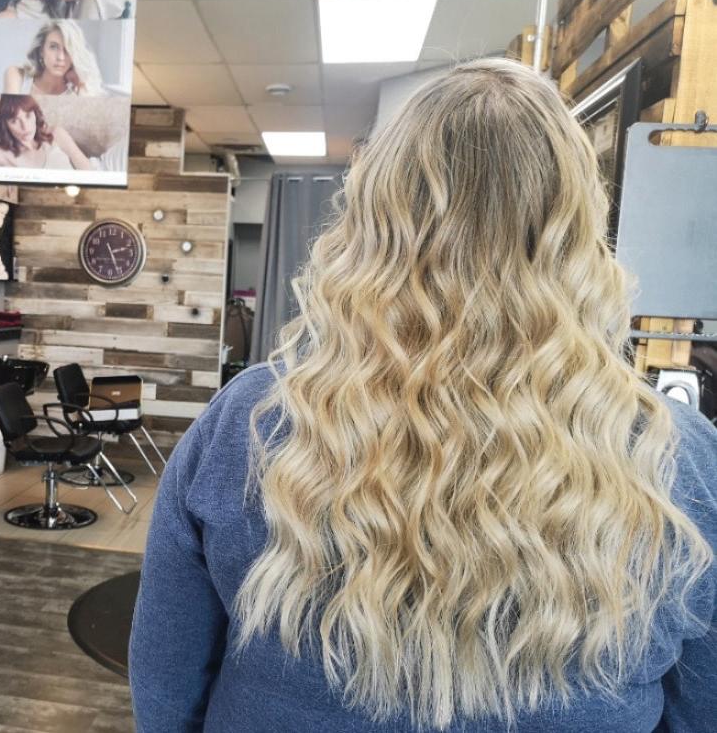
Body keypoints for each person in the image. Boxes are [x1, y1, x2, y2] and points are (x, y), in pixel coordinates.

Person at [129, 59, 717, 732]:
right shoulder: (684, 462)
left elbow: (167, 685)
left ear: (371, 220)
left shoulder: (250, 421)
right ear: (578, 231)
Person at [0, 94, 93, 171]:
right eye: (14, 121)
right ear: (5, 125)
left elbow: (89, 171)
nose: (25, 127)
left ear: (35, 114)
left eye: (28, 116)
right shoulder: (4, 154)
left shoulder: (55, 135)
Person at [3, 20, 104, 97]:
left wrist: (81, 86)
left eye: (68, 50)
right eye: (53, 47)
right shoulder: (18, 75)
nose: (60, 57)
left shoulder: (76, 93)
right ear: (41, 50)